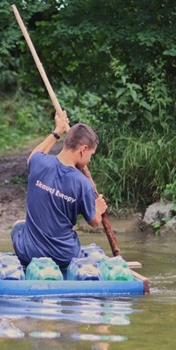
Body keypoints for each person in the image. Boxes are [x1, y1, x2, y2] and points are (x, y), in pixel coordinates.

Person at [11, 111, 108, 267]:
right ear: (83, 149)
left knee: (18, 227)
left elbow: (33, 156)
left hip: (29, 253)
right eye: (91, 154)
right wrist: (99, 208)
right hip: (64, 256)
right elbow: (94, 222)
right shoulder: (83, 183)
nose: (90, 159)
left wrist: (57, 130)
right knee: (23, 227)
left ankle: (28, 264)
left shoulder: (39, 163)